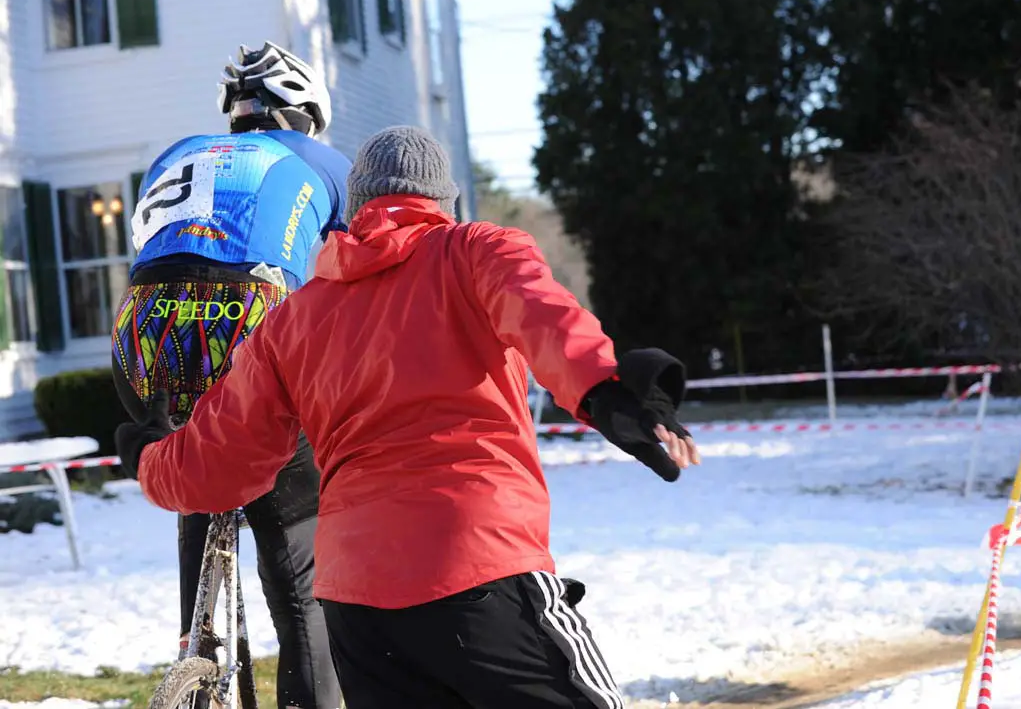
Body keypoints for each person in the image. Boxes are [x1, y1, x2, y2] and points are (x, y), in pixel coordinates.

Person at [115, 125, 700, 709]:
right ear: (444, 202)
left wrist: (149, 454)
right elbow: (545, 319)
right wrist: (607, 392)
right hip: (477, 565)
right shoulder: (476, 251)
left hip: (357, 606)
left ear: (355, 209)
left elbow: (220, 464)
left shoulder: (293, 319)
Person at [110, 41, 350, 709]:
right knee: (293, 540)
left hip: (142, 329)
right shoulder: (319, 160)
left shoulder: (176, 154)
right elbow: (370, 275)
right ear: (303, 115)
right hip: (249, 318)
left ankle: (197, 658)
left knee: (197, 471)